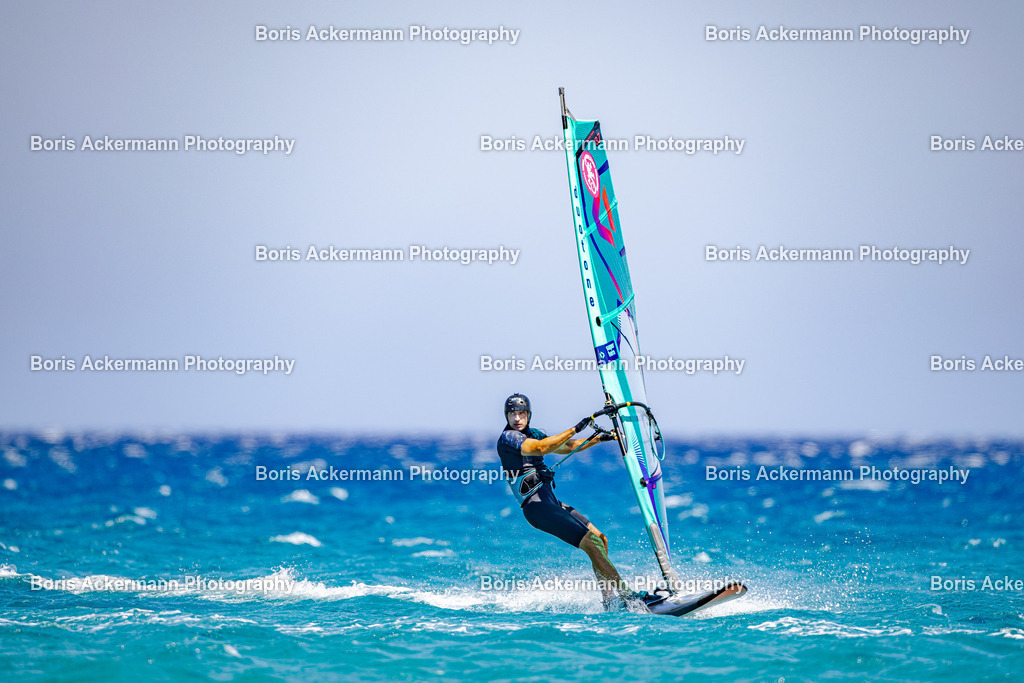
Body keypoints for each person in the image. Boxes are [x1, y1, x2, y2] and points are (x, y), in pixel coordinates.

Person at [496, 393, 646, 608]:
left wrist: (600, 438)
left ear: (529, 415)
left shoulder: (533, 433)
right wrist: (576, 428)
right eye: (512, 414)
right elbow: (540, 448)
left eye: (522, 413)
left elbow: (565, 447)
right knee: (591, 544)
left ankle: (609, 601)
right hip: (537, 508)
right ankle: (628, 597)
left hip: (550, 502)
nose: (517, 418)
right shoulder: (509, 439)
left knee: (600, 540)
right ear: (506, 416)